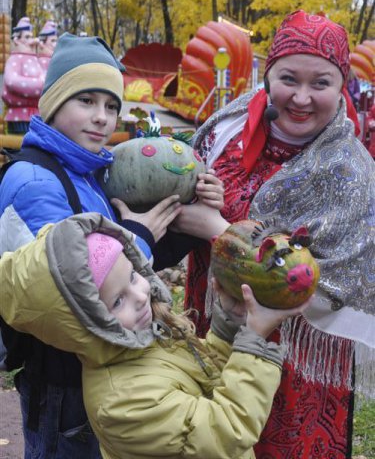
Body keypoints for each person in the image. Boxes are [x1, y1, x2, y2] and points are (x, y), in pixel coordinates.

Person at [0, 32, 226, 458]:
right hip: (62, 382)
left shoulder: (87, 173)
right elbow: (70, 294)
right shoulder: (34, 181)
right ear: (52, 104)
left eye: (111, 106)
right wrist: (138, 234)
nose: (102, 118)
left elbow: (124, 265)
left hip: (96, 371)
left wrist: (188, 219)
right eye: (85, 101)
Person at [185, 10, 375, 459]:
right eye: (289, 78)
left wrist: (218, 230)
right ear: (268, 76)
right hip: (209, 333)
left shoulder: (350, 171)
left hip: (293, 364)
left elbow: (320, 281)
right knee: (203, 441)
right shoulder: (226, 128)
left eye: (321, 83)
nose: (302, 98)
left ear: (342, 85)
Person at [0, 212, 313, 459]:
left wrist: (228, 323)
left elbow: (208, 377)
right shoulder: (122, 402)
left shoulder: (146, 340)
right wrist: (255, 338)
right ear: (82, 327)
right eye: (117, 300)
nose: (139, 295)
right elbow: (225, 433)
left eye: (134, 276)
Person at [1, 17, 45, 133]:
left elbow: (44, 79)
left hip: (37, 115)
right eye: (27, 37)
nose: (32, 40)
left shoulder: (35, 60)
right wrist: (38, 86)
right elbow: (11, 81)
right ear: (17, 39)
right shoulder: (14, 60)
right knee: (20, 144)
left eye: (31, 36)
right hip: (18, 116)